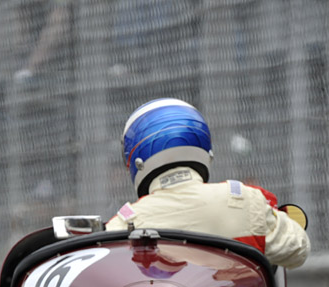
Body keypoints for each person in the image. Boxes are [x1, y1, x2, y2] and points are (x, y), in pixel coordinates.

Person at [105, 98, 309, 269]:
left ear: (135, 158)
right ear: (204, 146)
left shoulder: (122, 224)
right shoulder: (245, 201)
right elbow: (297, 250)